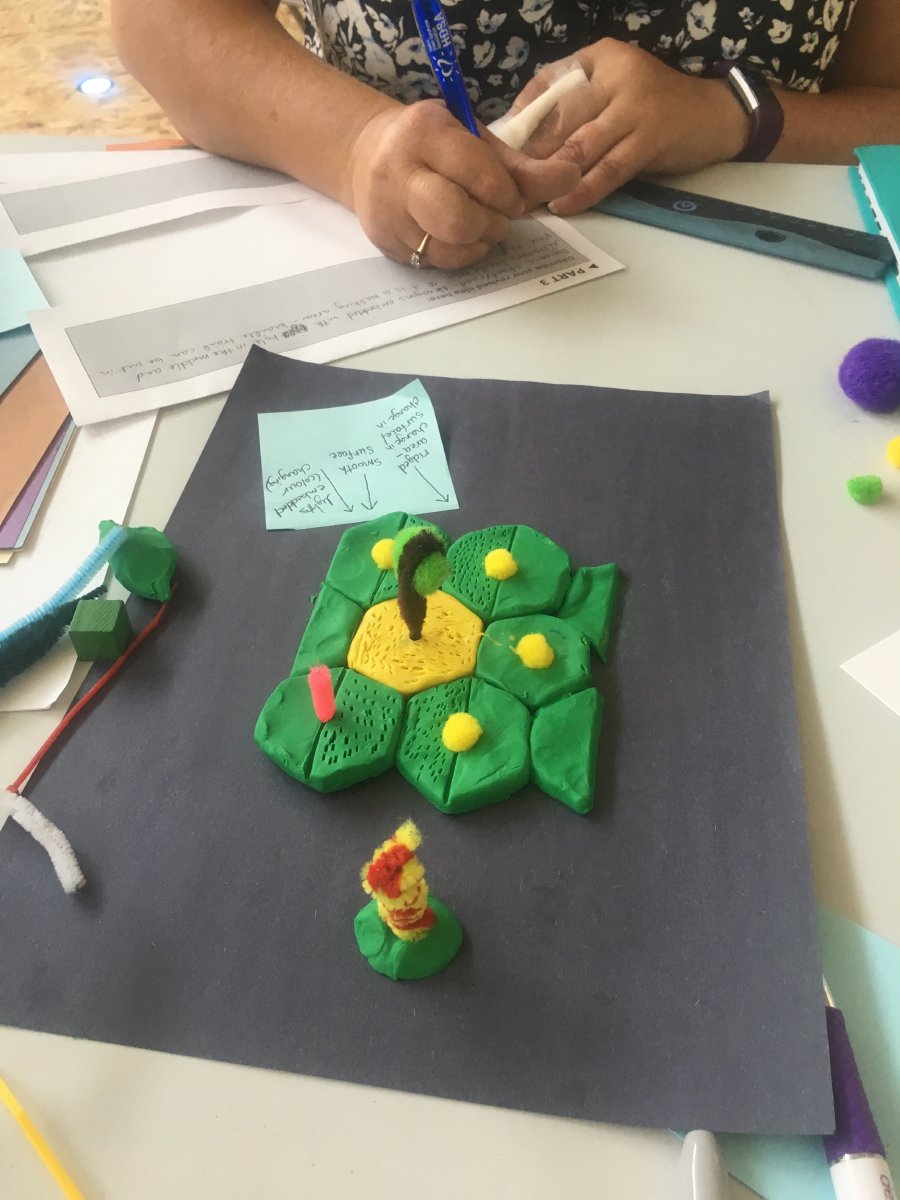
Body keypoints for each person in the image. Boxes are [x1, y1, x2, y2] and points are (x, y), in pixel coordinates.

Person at [112, 0, 900, 268]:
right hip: (402, 287)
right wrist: (355, 146)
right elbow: (162, 22)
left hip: (781, 290)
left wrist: (734, 114)